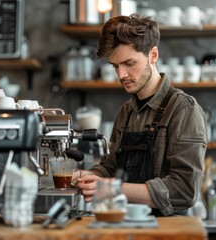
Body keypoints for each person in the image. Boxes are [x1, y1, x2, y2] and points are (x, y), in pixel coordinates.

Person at [73, 14, 207, 216]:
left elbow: (184, 190)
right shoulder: (126, 112)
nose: (121, 75)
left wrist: (113, 188)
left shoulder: (183, 109)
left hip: (167, 232)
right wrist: (89, 176)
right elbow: (112, 166)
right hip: (125, 224)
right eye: (115, 66)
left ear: (153, 55)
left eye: (129, 63)